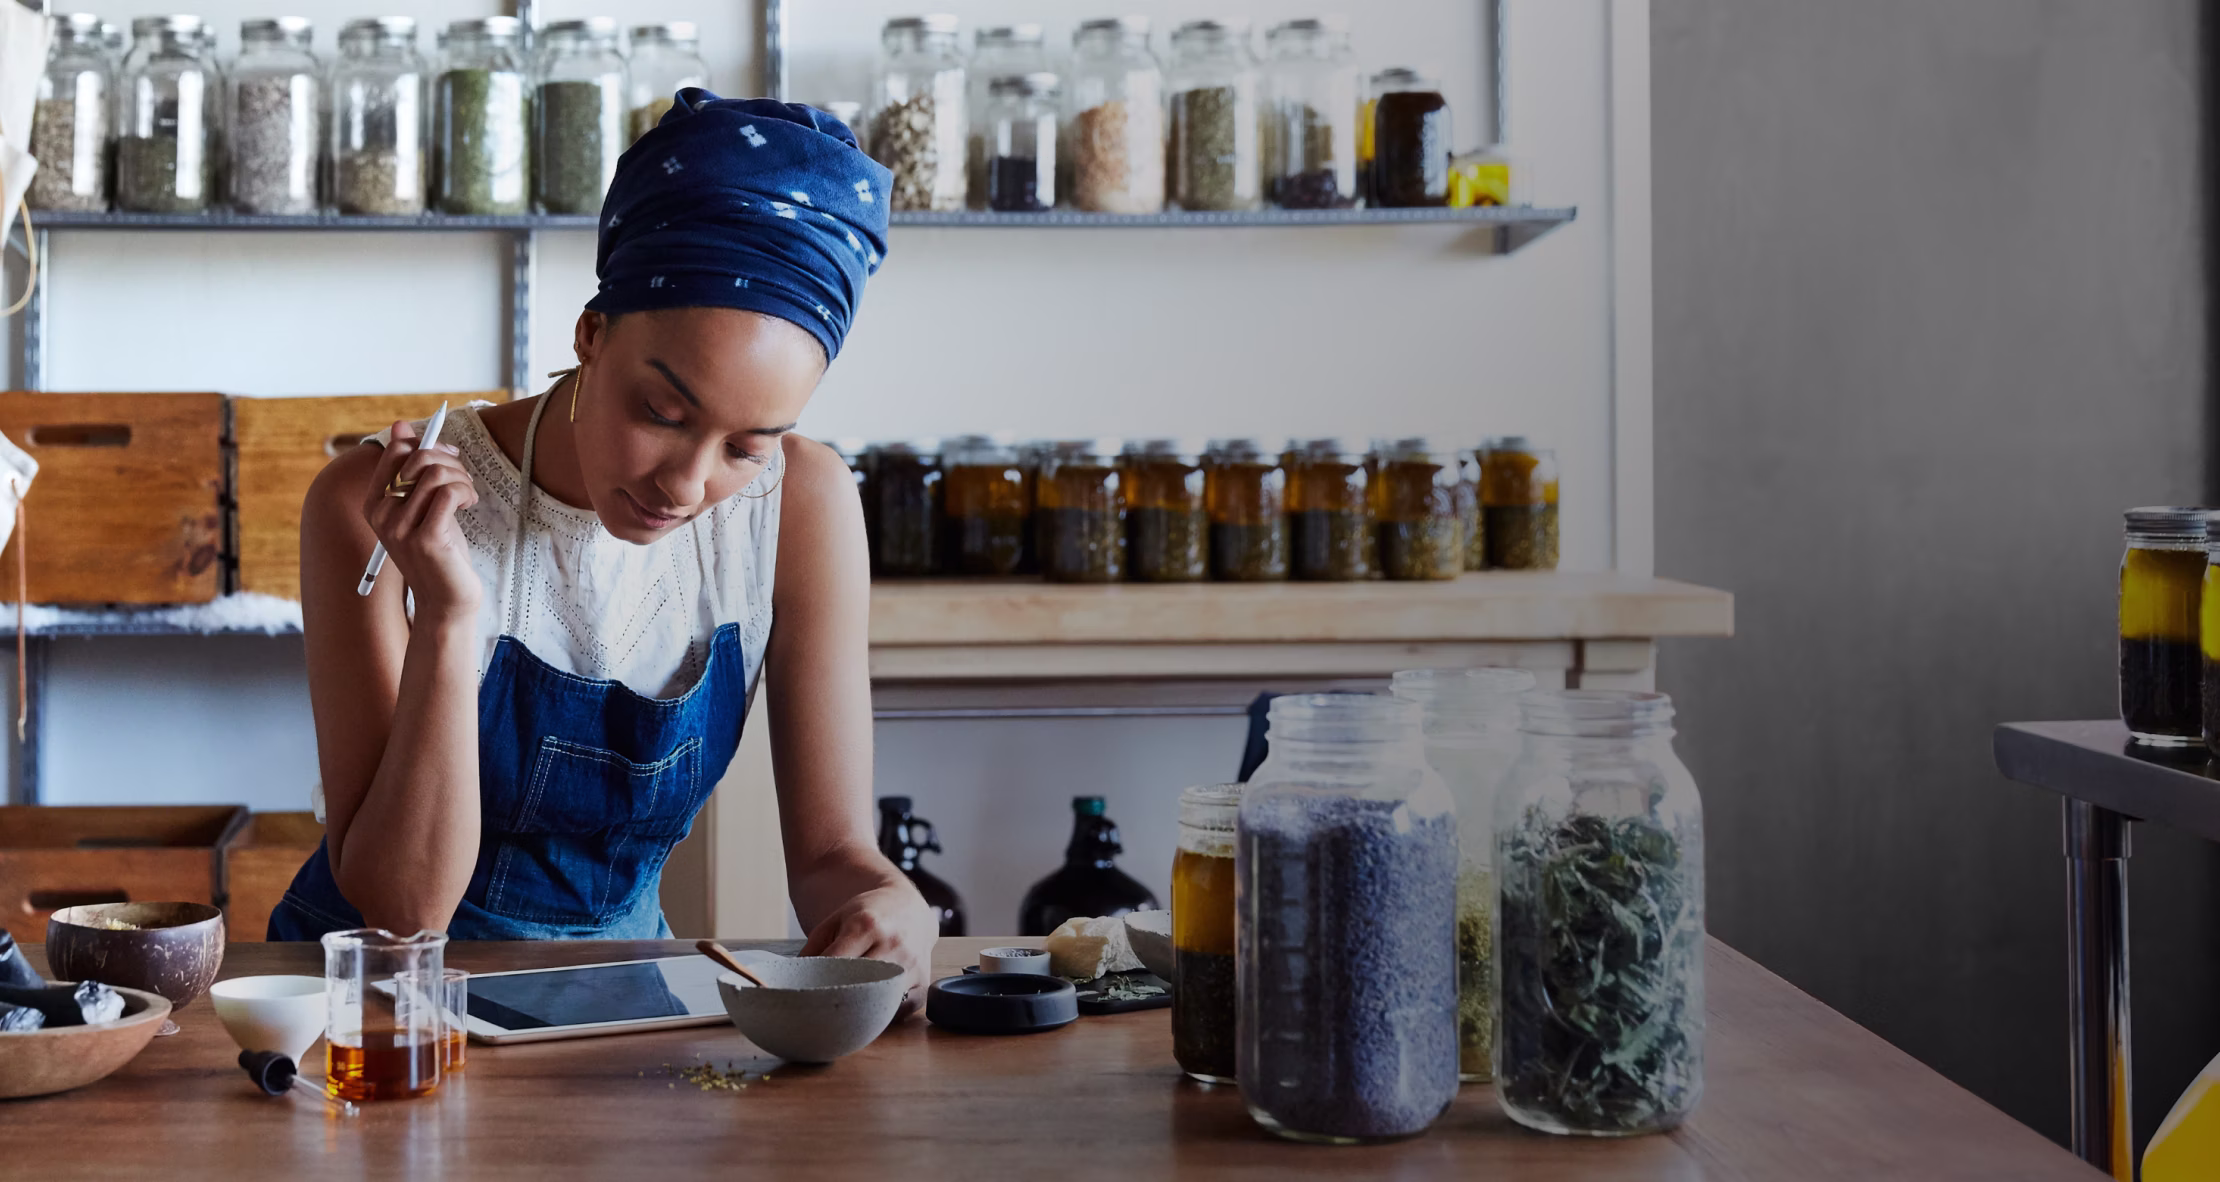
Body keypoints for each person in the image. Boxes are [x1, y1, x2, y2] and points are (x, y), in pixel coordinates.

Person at [267, 92, 936, 1006]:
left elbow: (831, 857)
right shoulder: (374, 503)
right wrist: (452, 621)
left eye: (748, 445)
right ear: (591, 336)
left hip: (618, 1004)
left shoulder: (804, 505)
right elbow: (403, 910)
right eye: (662, 414)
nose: (688, 483)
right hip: (375, 1012)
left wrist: (891, 901)